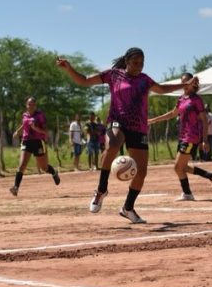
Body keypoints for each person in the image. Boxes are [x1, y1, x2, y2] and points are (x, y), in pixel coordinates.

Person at [56, 47, 193, 223]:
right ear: (127, 62)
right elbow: (84, 81)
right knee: (113, 144)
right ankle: (101, 190)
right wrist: (69, 68)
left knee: (141, 173)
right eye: (135, 63)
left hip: (138, 127)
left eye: (142, 63)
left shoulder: (145, 80)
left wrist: (184, 85)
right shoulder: (113, 75)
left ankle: (128, 208)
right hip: (117, 121)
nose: (139, 66)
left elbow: (162, 88)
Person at [147, 73, 212, 201]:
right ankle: (211, 176)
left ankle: (187, 193)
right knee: (183, 167)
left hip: (191, 137)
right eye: (183, 82)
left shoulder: (196, 100)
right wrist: (154, 120)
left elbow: (204, 120)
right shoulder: (181, 99)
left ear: (193, 83)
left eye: (187, 82)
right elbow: (172, 113)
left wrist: (204, 140)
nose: (184, 85)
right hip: (182, 137)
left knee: (177, 167)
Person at [9, 97, 60, 196]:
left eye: (33, 104)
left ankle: (54, 172)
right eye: (29, 104)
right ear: (26, 105)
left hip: (38, 142)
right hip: (26, 141)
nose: (31, 106)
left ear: (36, 106)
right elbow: (24, 124)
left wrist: (35, 128)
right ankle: (15, 187)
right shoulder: (24, 115)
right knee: (22, 165)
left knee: (43, 167)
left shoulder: (40, 115)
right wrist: (17, 132)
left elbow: (45, 131)